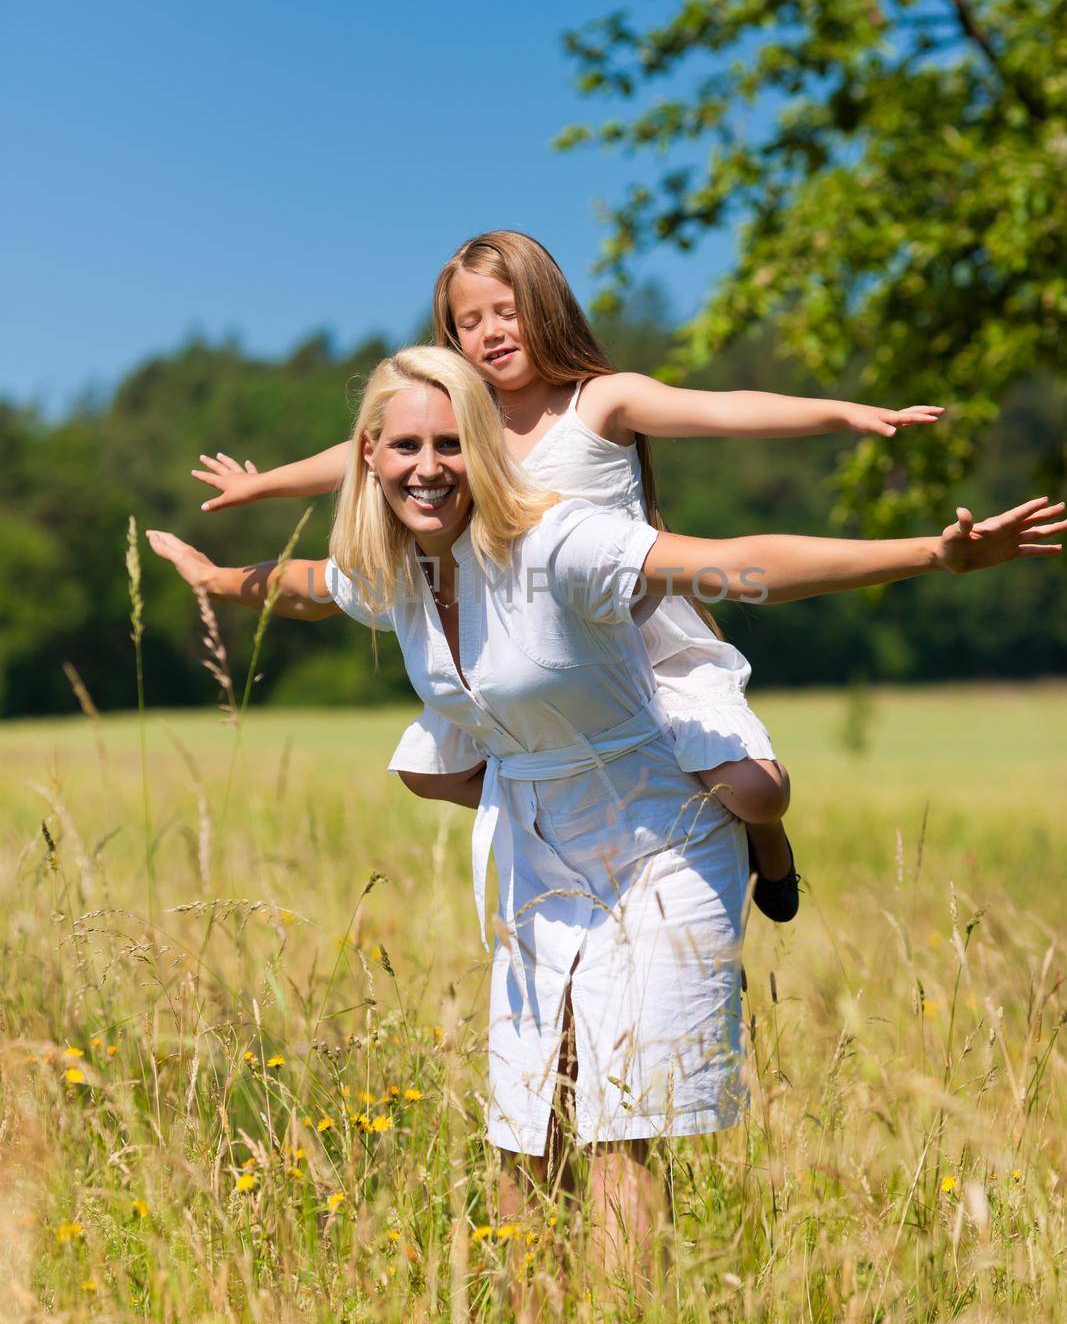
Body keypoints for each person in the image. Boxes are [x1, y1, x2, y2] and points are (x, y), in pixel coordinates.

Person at [150, 344, 1063, 1286]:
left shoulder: (558, 543)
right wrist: (217, 581)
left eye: (452, 443)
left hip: (659, 841)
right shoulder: (394, 571)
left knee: (622, 1126)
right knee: (526, 1126)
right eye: (406, 446)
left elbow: (734, 569)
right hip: (539, 852)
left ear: (486, 448)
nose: (430, 467)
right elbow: (305, 590)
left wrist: (931, 554)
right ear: (370, 458)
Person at [188, 230, 945, 921]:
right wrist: (263, 486)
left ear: (545, 309)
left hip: (640, 631)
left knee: (754, 791)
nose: (488, 334)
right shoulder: (462, 419)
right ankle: (566, 812)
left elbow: (721, 409)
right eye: (467, 323)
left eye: (504, 312)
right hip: (529, 637)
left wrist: (840, 414)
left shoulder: (601, 400)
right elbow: (359, 451)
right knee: (425, 769)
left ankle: (768, 849)